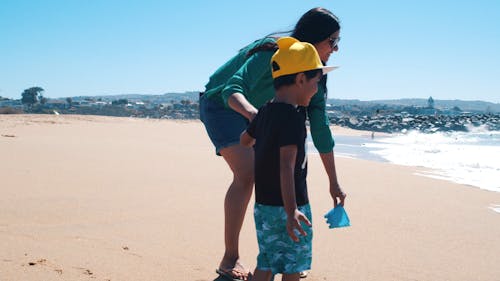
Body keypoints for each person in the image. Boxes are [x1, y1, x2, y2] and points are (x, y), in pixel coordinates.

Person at [200, 7, 346, 281]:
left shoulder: (314, 77)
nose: (335, 49)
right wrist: (258, 119)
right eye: (332, 41)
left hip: (261, 114)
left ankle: (282, 256)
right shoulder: (272, 52)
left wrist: (333, 182)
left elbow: (320, 128)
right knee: (248, 173)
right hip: (221, 104)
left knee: (275, 177)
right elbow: (233, 87)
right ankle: (230, 258)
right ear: (314, 38)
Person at [240, 36, 338, 281]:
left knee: (267, 260)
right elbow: (286, 166)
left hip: (263, 205)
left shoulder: (265, 111)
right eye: (317, 81)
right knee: (293, 264)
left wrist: (260, 137)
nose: (317, 89)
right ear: (301, 79)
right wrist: (292, 210)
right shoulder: (293, 118)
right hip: (291, 206)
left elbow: (244, 140)